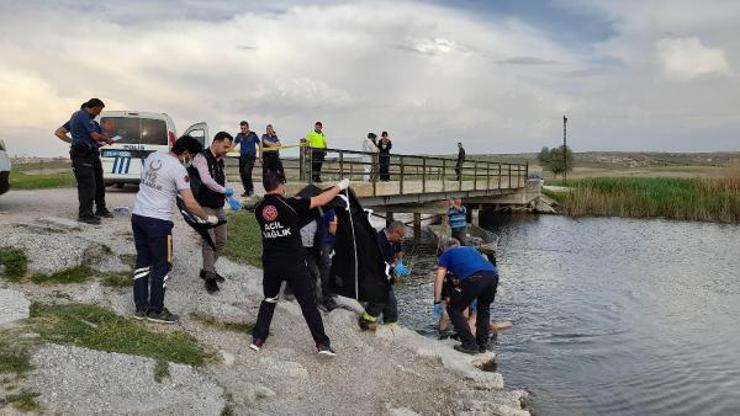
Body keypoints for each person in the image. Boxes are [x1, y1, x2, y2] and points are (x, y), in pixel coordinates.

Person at [250, 171, 350, 356]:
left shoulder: (259, 209)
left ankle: (258, 338)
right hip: (294, 264)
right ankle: (322, 344)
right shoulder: (291, 204)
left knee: (269, 300)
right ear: (281, 185)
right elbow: (320, 200)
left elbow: (280, 214)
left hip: (271, 264)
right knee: (308, 305)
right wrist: (340, 186)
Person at [131, 135, 218, 323]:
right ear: (186, 153)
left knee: (143, 261)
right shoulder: (178, 169)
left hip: (138, 216)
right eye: (192, 156)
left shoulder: (154, 156)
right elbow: (190, 203)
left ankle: (140, 307)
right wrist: (206, 217)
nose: (191, 160)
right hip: (158, 222)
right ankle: (156, 309)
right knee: (162, 265)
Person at [433, 238, 498, 354]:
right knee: (483, 308)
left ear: (443, 249)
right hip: (493, 276)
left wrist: (437, 301)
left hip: (475, 278)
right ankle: (482, 344)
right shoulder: (470, 250)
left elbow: (439, 279)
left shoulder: (446, 255)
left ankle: (469, 344)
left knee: (452, 308)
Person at [189, 131, 234, 293]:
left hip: (218, 205)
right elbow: (206, 180)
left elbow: (224, 180)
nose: (227, 150)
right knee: (210, 240)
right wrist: (224, 190)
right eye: (225, 146)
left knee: (222, 239)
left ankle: (208, 268)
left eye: (229, 147)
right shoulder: (202, 157)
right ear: (216, 142)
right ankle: (209, 275)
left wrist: (229, 197)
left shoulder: (220, 161)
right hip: (204, 206)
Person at [62, 98, 114, 224]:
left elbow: (60, 132)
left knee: (98, 183)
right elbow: (95, 136)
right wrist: (106, 139)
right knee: (87, 185)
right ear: (94, 107)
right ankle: (85, 214)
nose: (99, 114)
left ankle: (100, 209)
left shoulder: (85, 119)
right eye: (99, 110)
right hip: (82, 154)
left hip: (91, 153)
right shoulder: (81, 115)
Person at [358, 221, 406, 331]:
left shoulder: (395, 240)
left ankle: (391, 326)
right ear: (394, 232)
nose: (401, 239)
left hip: (387, 275)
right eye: (400, 236)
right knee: (379, 300)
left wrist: (399, 262)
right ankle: (366, 321)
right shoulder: (377, 240)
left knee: (391, 302)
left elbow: (399, 252)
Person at [318, 208, 338, 310]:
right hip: (326, 243)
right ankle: (327, 298)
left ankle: (329, 294)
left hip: (327, 243)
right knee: (326, 271)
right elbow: (333, 229)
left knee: (328, 270)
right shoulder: (332, 211)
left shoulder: (329, 210)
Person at [234, 121, 260, 197]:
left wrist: (260, 156)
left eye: (245, 128)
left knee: (247, 172)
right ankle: (247, 190)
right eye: (242, 128)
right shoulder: (239, 135)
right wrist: (225, 151)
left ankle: (251, 189)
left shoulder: (253, 135)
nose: (243, 130)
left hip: (251, 157)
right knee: (242, 174)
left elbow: (260, 144)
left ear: (248, 127)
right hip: (242, 157)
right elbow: (233, 144)